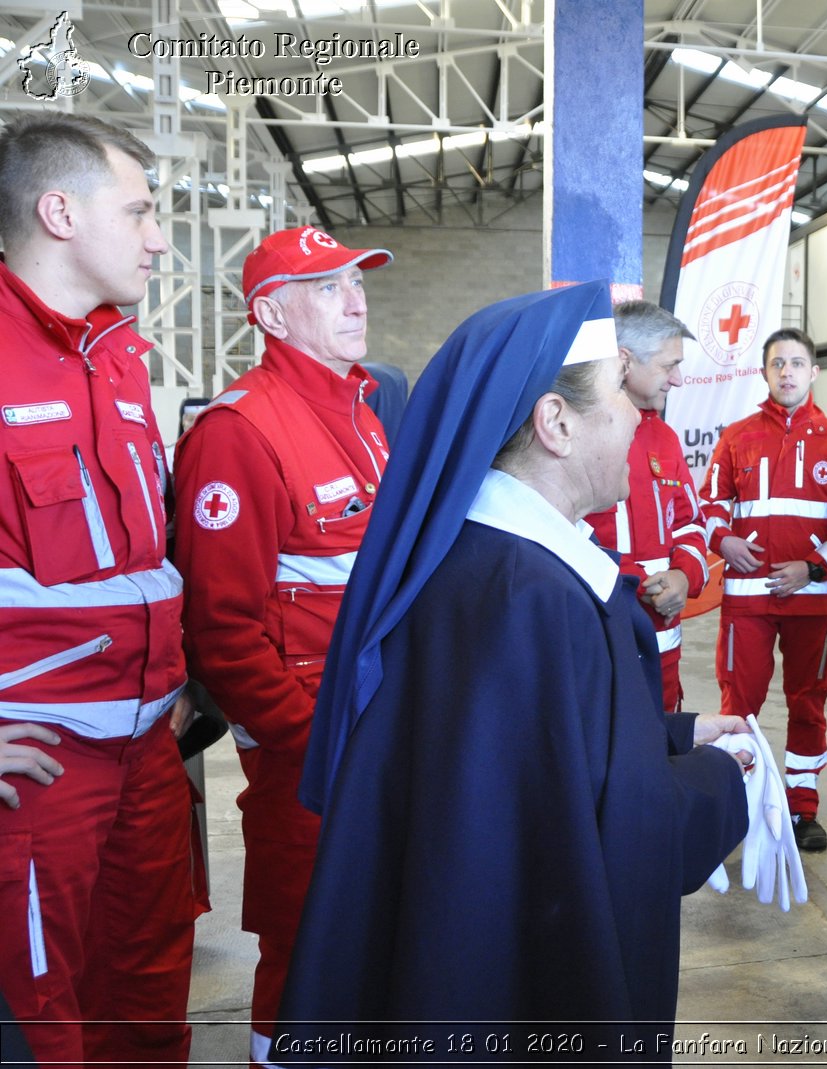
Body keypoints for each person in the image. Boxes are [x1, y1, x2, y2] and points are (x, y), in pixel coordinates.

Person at [275, 281, 749, 1061]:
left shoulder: (475, 562)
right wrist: (724, 779)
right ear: (556, 424)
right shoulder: (540, 598)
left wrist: (676, 733)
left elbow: (541, 752)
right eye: (622, 395)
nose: (642, 413)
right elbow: (620, 835)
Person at [0, 112, 198, 1066]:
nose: (158, 236)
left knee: (150, 997)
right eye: (141, 211)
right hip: (39, 767)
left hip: (148, 750)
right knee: (43, 1020)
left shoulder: (118, 357)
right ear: (60, 212)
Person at [172, 225, 393, 1065]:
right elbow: (222, 631)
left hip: (375, 730)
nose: (356, 298)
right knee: (306, 943)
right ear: (271, 311)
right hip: (311, 751)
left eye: (357, 280)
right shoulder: (240, 432)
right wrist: (311, 740)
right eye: (329, 285)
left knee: (370, 933)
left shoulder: (363, 413)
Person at [701, 328, 827, 852]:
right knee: (738, 704)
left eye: (797, 363)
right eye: (778, 363)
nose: (787, 372)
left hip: (812, 604)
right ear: (764, 372)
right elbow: (707, 508)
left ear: (814, 373)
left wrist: (815, 568)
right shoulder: (736, 437)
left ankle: (802, 807)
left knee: (808, 703)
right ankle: (740, 802)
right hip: (746, 601)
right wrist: (723, 541)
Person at [582, 300, 709, 712]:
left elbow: (692, 523)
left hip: (664, 655)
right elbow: (563, 532)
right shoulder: (579, 433)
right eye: (668, 365)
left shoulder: (666, 439)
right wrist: (638, 585)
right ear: (624, 360)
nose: (678, 379)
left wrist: (684, 577)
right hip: (601, 642)